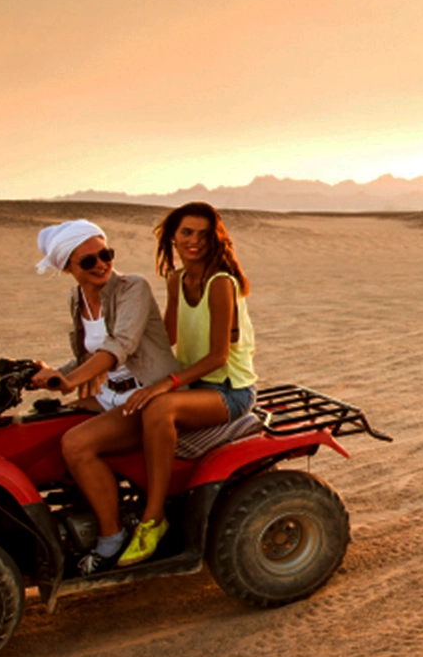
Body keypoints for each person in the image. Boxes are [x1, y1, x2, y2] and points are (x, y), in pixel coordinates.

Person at [32, 220, 179, 574]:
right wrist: (50, 374)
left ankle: (111, 537)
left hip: (147, 397)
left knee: (76, 444)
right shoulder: (77, 299)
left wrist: (71, 381)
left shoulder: (132, 288)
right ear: (68, 267)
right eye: (88, 261)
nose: (100, 264)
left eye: (105, 254)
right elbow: (87, 358)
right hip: (109, 394)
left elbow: (120, 347)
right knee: (43, 429)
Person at [116, 202, 259, 566]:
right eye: (186, 233)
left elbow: (217, 357)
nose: (194, 241)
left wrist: (165, 384)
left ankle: (154, 517)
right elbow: (167, 339)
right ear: (173, 237)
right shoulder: (176, 279)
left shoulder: (220, 283)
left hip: (229, 391)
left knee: (159, 406)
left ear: (216, 239)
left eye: (204, 234)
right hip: (193, 389)